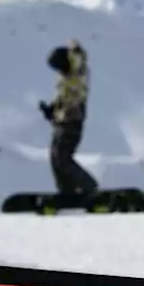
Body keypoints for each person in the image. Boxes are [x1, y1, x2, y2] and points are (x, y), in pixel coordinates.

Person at [39, 39, 99, 195]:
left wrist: (73, 53)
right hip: (64, 120)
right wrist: (51, 109)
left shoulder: (76, 71)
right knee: (55, 157)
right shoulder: (67, 75)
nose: (58, 72)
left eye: (58, 67)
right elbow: (64, 97)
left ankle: (89, 186)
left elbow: (74, 94)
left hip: (72, 120)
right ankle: (67, 189)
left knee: (62, 158)